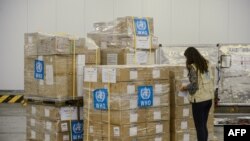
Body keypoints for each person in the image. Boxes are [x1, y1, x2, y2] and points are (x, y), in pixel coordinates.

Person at [180, 47, 214, 141]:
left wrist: (185, 87)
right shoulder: (206, 64)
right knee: (203, 125)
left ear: (190, 57)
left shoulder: (193, 67)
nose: (186, 60)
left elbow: (194, 85)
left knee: (199, 127)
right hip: (208, 99)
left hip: (199, 101)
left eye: (187, 57)